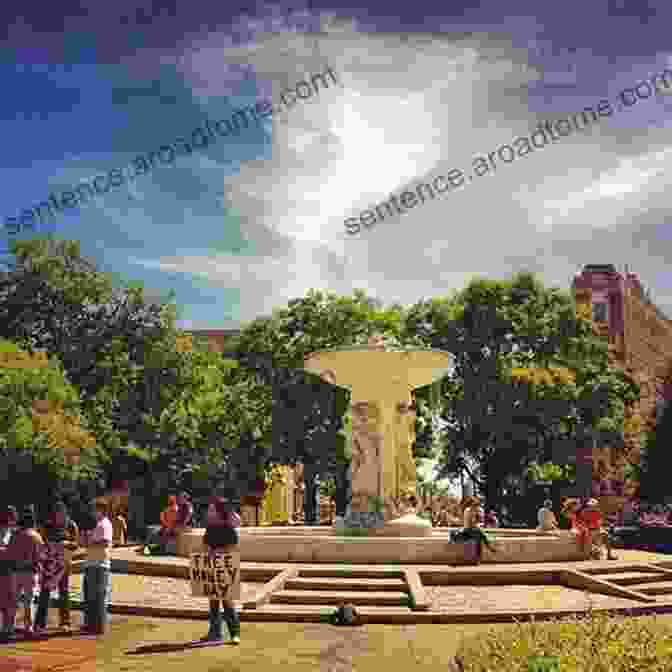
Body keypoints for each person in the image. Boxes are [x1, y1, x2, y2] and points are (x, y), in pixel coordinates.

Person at [34, 501, 79, 634]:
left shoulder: (71, 525)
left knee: (64, 593)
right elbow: (41, 542)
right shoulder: (47, 525)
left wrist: (66, 544)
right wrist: (51, 546)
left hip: (63, 564)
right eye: (56, 512)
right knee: (44, 593)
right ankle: (40, 624)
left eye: (61, 512)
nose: (58, 515)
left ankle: (65, 622)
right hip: (49, 564)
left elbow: (76, 544)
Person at [201, 496, 241, 644]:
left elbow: (232, 547)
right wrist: (209, 553)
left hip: (225, 567)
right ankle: (215, 633)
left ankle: (234, 633)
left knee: (227, 601)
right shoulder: (210, 529)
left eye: (212, 509)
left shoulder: (229, 529)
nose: (209, 512)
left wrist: (219, 553)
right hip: (212, 566)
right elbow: (205, 545)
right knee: (213, 602)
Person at [5, 506, 44, 636]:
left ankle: (9, 628)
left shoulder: (14, 535)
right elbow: (41, 556)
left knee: (13, 601)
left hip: (15, 572)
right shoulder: (36, 536)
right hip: (30, 572)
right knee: (29, 601)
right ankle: (28, 627)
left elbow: (9, 553)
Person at [80, 499, 113, 635]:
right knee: (89, 596)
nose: (93, 512)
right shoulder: (97, 524)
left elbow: (105, 542)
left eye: (95, 509)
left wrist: (89, 543)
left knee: (98, 596)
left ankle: (98, 626)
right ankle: (90, 624)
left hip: (99, 565)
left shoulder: (105, 524)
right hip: (91, 563)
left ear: (102, 510)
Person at [0, 506, 18, 640]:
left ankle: (8, 628)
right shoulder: (6, 532)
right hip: (5, 571)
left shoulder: (13, 532)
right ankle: (7, 628)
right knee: (8, 600)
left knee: (9, 601)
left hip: (10, 570)